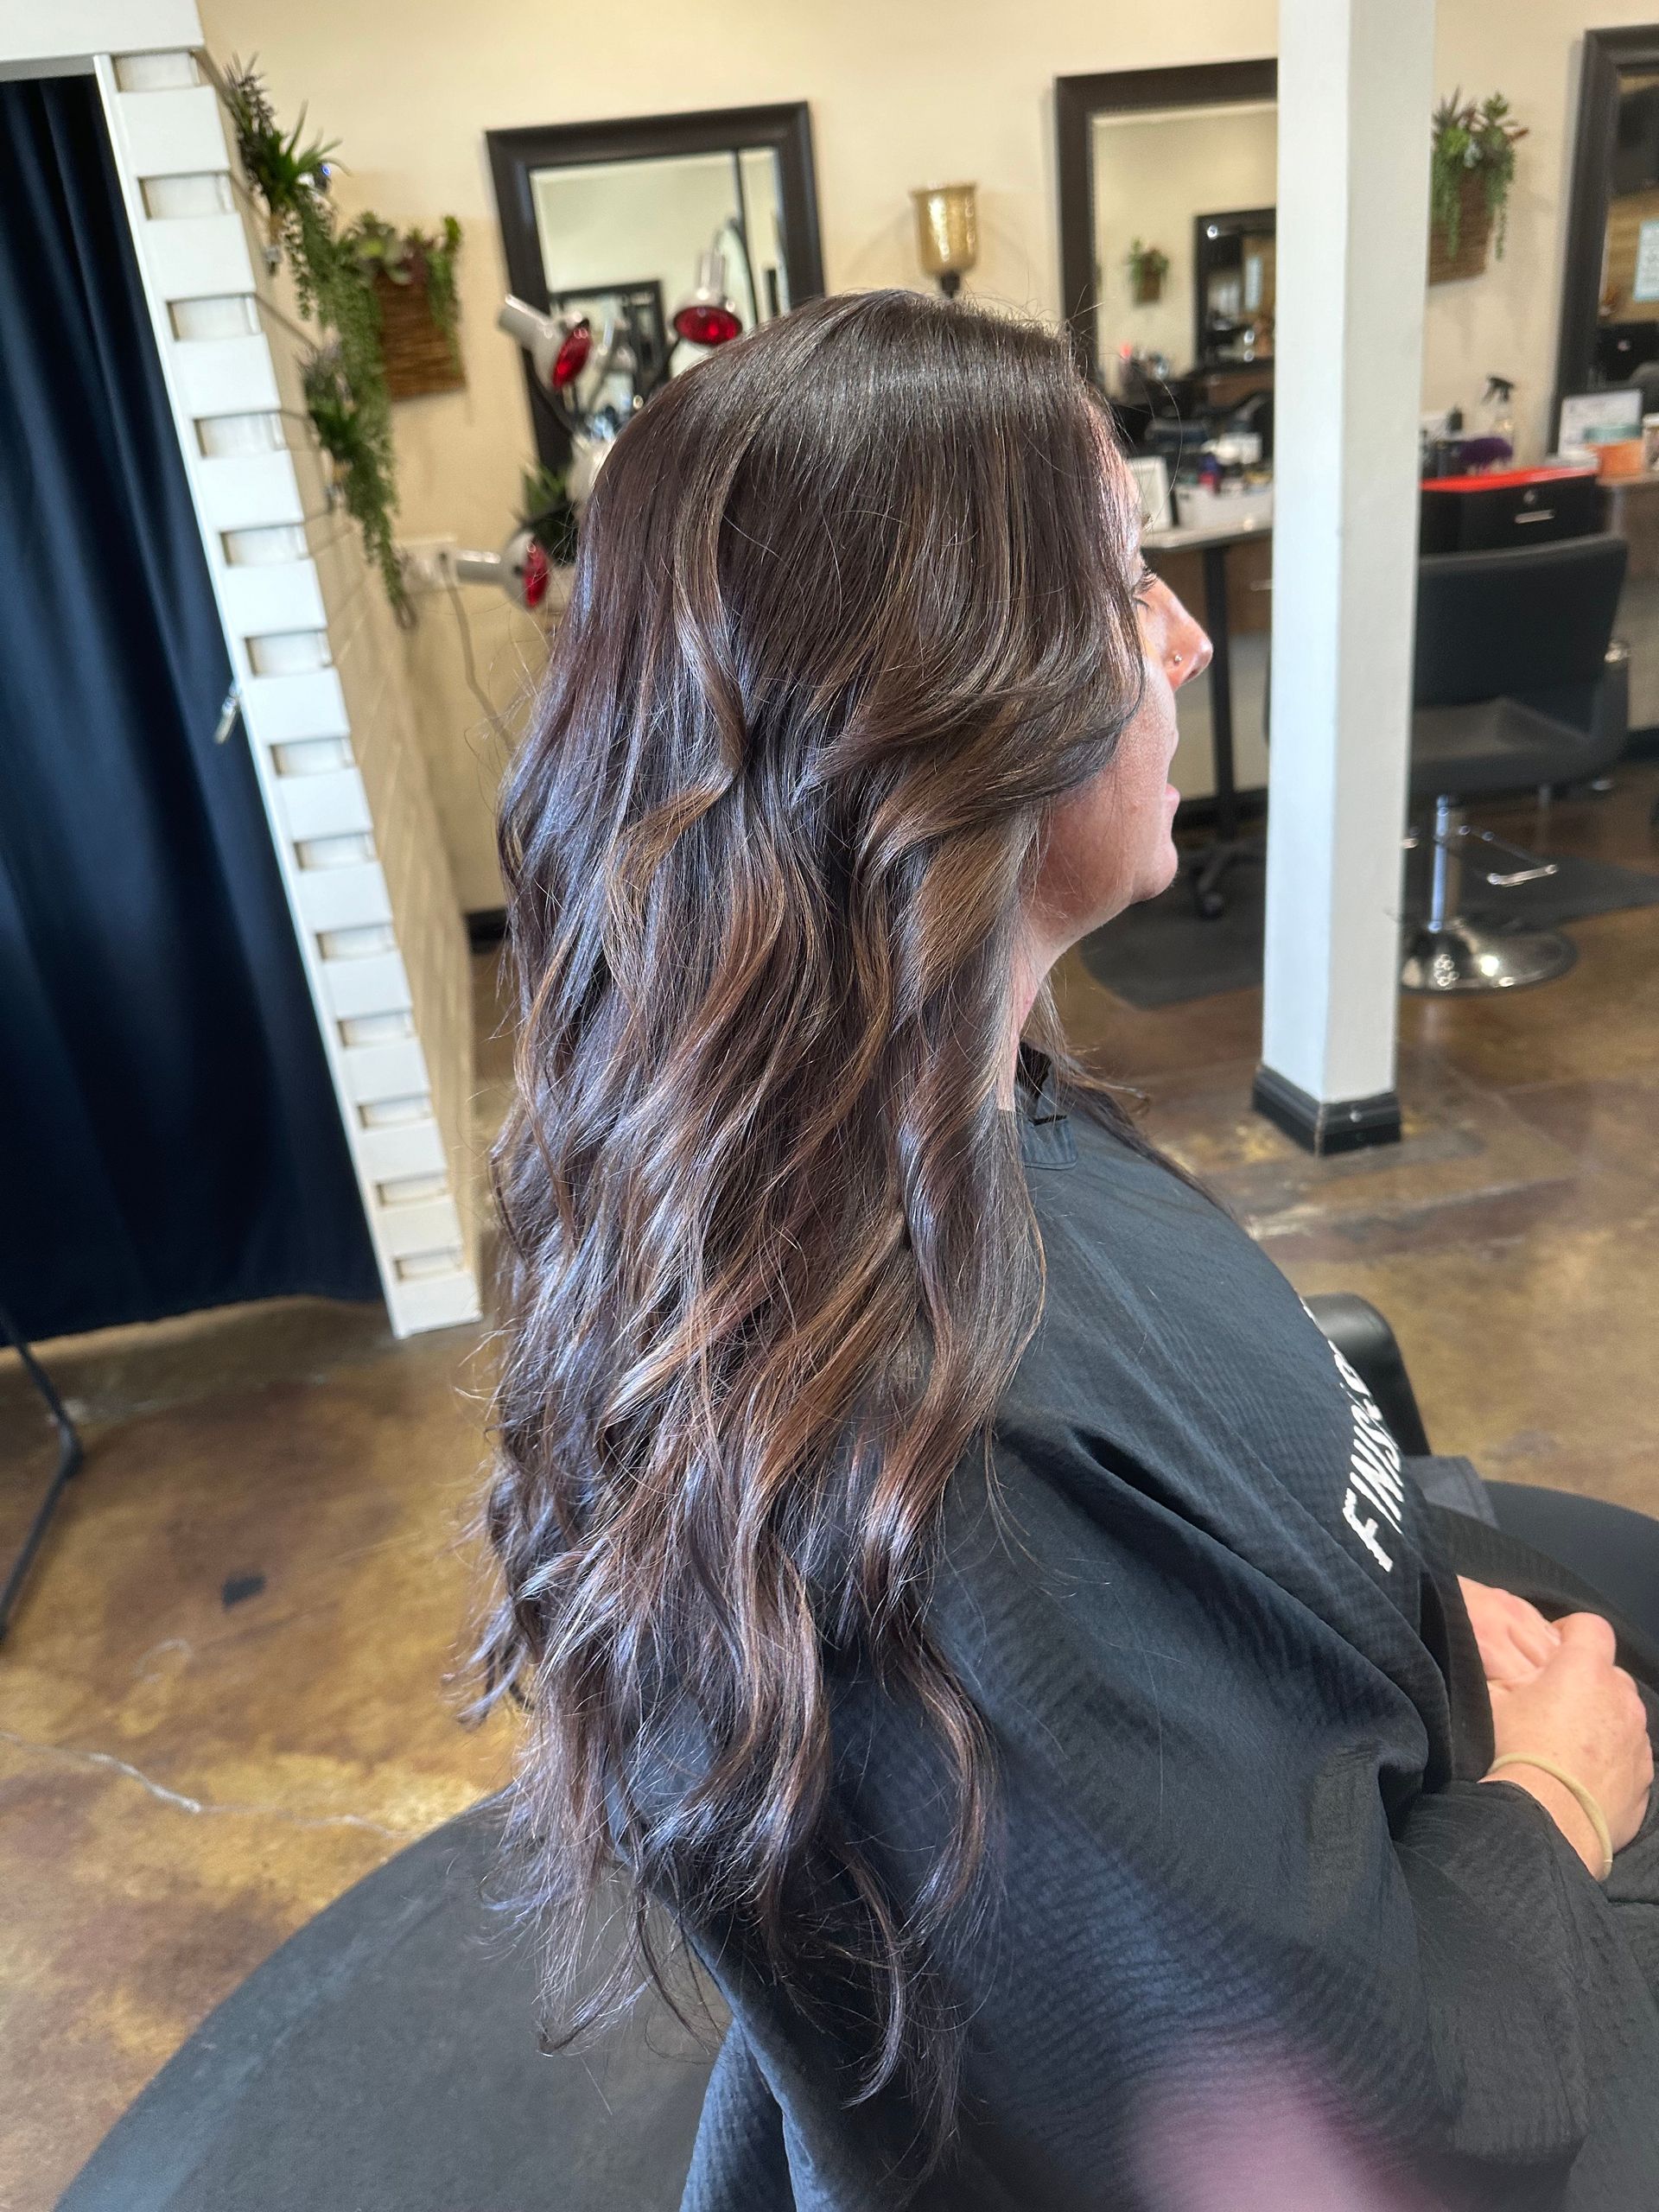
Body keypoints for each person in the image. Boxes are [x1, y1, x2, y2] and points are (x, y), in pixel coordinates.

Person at [473, 290, 1659, 2209]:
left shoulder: (942, 1111)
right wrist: (1549, 1797)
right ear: (953, 693)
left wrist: (1412, 1601)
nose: (1187, 635)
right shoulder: (947, 1464)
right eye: (1124, 585)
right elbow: (1361, 2122)